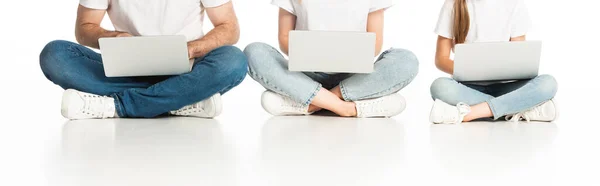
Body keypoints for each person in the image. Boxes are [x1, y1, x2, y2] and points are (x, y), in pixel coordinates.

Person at [39, 0, 248, 120]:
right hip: (125, 68)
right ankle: (179, 101)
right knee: (55, 55)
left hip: (189, 69)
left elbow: (229, 27)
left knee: (234, 61)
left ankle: (116, 106)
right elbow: (85, 27)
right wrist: (115, 38)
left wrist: (191, 49)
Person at [244, 0, 419, 118]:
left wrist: (345, 53)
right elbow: (284, 38)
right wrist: (313, 51)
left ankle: (313, 103)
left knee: (406, 60)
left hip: (355, 76)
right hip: (305, 74)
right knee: (254, 52)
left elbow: (375, 43)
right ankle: (348, 108)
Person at [429, 0, 558, 124]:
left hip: (506, 87)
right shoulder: (452, 4)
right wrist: (470, 71)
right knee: (440, 87)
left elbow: (519, 58)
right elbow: (441, 59)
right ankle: (520, 108)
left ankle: (471, 113)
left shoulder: (514, 3)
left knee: (548, 83)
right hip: (468, 88)